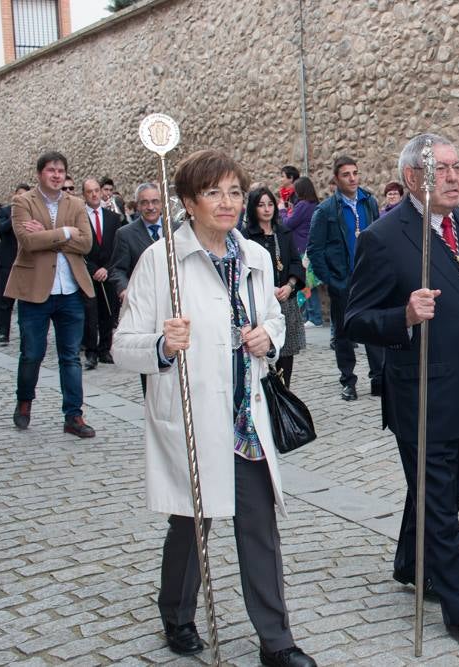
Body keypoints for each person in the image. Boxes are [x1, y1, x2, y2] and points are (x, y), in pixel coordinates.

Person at [112, 150, 316, 667]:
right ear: (188, 201)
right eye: (212, 193)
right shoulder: (161, 262)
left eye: (233, 192)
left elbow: (275, 318)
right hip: (192, 416)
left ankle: (277, 641)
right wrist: (162, 344)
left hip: (245, 417)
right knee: (191, 524)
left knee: (259, 527)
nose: (227, 203)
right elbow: (122, 346)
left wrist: (265, 335)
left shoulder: (254, 256)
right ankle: (178, 613)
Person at [345, 133, 459, 651]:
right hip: (422, 395)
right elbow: (353, 319)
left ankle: (409, 562)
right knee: (440, 504)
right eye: (443, 169)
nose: (456, 177)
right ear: (414, 178)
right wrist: (404, 316)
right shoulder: (384, 237)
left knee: (441, 494)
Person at [7, 152, 96, 438]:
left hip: (69, 291)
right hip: (35, 291)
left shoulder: (77, 203)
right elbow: (28, 242)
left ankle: (74, 416)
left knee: (70, 357)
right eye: (51, 171)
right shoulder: (23, 202)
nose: (57, 175)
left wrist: (51, 233)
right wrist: (66, 232)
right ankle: (24, 401)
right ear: (40, 174)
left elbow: (86, 244)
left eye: (61, 171)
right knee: (32, 353)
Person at [307, 155, 383, 400]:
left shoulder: (368, 202)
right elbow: (314, 250)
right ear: (336, 179)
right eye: (346, 174)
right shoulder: (326, 210)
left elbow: (379, 236)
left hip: (369, 279)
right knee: (343, 333)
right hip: (343, 280)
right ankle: (348, 381)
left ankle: (378, 379)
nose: (352, 178)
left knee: (374, 328)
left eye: (355, 173)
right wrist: (331, 280)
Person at [108, 182, 180, 395]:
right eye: (145, 202)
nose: (150, 207)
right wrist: (124, 290)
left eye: (155, 201)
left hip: (175, 303)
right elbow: (117, 269)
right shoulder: (126, 234)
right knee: (152, 356)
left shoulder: (178, 229)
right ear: (137, 206)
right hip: (147, 308)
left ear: (163, 203)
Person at [244, 187, 306, 386]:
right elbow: (244, 269)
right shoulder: (246, 237)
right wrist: (267, 288)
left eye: (270, 204)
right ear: (253, 208)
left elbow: (296, 262)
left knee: (286, 357)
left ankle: (283, 395)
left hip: (285, 300)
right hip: (262, 304)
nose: (266, 209)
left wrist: (290, 285)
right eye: (261, 205)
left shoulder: (284, 232)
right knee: (265, 355)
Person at [80, 178, 123, 370]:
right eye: (90, 191)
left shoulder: (113, 218)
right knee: (90, 313)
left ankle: (105, 348)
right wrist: (93, 269)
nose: (95, 194)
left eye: (97, 190)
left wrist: (106, 267)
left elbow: (117, 247)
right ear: (84, 195)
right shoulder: (79, 218)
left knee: (109, 311)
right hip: (88, 271)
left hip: (108, 271)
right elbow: (78, 249)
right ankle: (91, 352)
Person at [280, 177, 321, 327]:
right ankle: (309, 315)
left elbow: (288, 224)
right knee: (309, 283)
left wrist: (283, 211)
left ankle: (314, 317)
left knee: (306, 283)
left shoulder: (303, 205)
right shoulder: (314, 204)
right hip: (309, 247)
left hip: (302, 248)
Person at [0, 184, 29, 345]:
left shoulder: (31, 213)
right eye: (19, 195)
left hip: (25, 261)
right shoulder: (5, 211)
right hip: (7, 261)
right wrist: (15, 216)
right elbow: (0, 229)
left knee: (25, 301)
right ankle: (4, 332)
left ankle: (26, 332)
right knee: (5, 299)